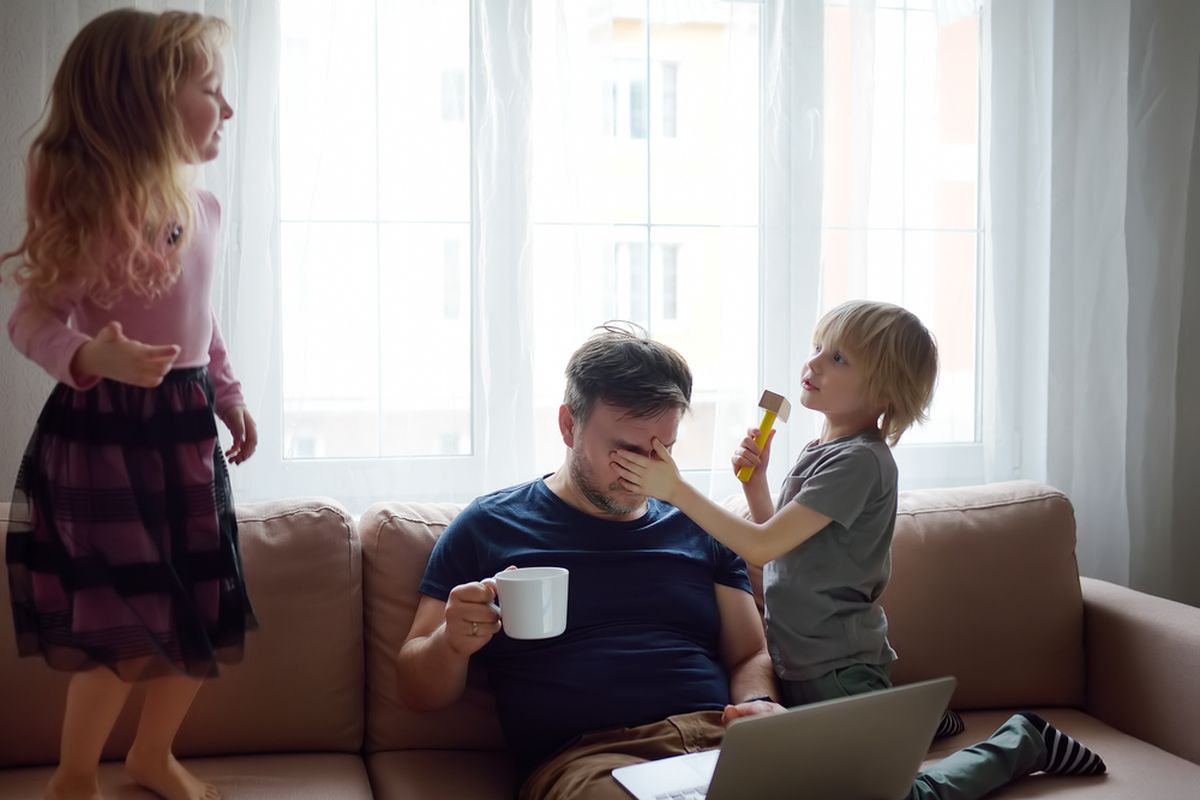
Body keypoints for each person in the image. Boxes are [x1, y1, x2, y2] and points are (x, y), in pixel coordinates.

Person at [612, 300, 1107, 799]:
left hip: (837, 668)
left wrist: (674, 489)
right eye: (818, 348)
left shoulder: (860, 463)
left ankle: (1024, 742)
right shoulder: (821, 453)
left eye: (839, 359)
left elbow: (759, 544)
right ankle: (920, 721)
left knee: (897, 795)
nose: (815, 363)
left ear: (885, 392)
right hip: (802, 660)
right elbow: (778, 549)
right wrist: (756, 485)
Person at [2, 9, 255, 800]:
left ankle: (151, 753)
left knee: (202, 614)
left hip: (183, 430)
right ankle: (74, 775)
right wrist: (89, 355)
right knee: (123, 627)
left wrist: (228, 394)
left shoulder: (204, 209)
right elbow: (31, 318)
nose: (228, 107)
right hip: (104, 431)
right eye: (211, 89)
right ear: (146, 99)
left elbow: (202, 325)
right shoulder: (82, 198)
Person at [396, 324, 782, 800]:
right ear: (567, 425)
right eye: (624, 450)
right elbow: (417, 690)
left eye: (662, 451)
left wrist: (759, 704)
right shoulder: (488, 527)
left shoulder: (700, 526)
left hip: (720, 742)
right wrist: (452, 642)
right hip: (592, 761)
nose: (643, 471)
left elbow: (748, 653)